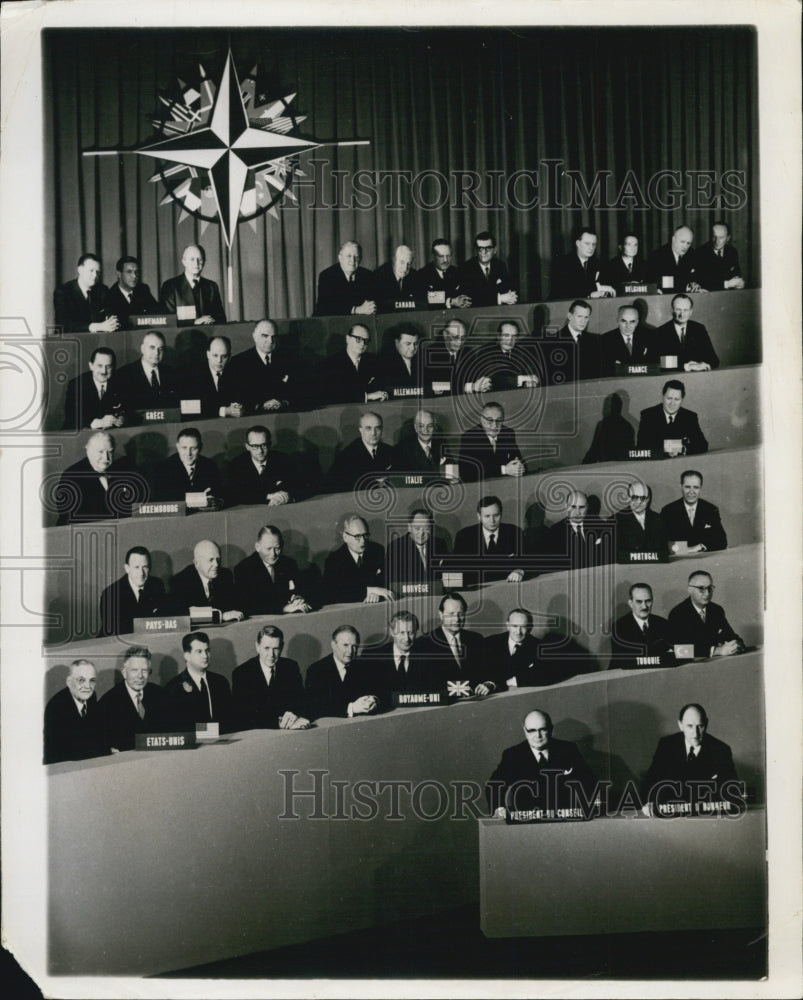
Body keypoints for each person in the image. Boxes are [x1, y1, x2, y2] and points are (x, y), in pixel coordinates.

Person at [486, 709, 597, 816]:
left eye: (543, 729)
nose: (538, 735)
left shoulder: (568, 749)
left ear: (551, 729)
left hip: (564, 817)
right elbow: (494, 785)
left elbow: (588, 779)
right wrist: (499, 808)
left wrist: (593, 800)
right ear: (525, 730)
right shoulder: (512, 754)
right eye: (532, 730)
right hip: (526, 822)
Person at [643, 703, 739, 810]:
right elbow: (650, 783)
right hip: (673, 816)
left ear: (706, 724)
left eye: (700, 726)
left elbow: (732, 791)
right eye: (690, 726)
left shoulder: (721, 750)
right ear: (680, 725)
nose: (695, 733)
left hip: (705, 816)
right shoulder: (666, 745)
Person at [231, 625, 310, 731]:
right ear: (257, 647)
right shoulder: (242, 673)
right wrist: (278, 723)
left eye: (276, 649)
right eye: (266, 648)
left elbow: (302, 703)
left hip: (289, 732)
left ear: (282, 647)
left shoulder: (291, 667)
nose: (271, 654)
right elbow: (244, 717)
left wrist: (294, 715)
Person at [416, 592, 496, 696]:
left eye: (461, 614)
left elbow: (492, 671)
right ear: (441, 614)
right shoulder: (424, 643)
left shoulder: (476, 639)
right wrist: (459, 689)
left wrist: (489, 684)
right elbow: (422, 683)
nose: (456, 619)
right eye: (451, 614)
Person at [53, 430, 139, 526]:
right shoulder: (71, 475)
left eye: (110, 452)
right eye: (100, 452)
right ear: (88, 451)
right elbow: (68, 516)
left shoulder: (123, 469)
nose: (106, 457)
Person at [304, 625, 390, 719]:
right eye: (345, 645)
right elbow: (315, 707)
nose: (350, 651)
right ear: (333, 645)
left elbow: (382, 692)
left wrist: (374, 700)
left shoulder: (365, 666)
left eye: (354, 646)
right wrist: (351, 708)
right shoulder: (316, 670)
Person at [98, 646, 166, 752]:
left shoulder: (160, 694)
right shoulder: (108, 703)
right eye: (134, 670)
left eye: (144, 671)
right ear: (124, 673)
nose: (140, 676)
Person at [233, 525, 312, 616]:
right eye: (268, 549)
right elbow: (248, 605)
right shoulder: (244, 569)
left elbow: (300, 590)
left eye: (277, 548)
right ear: (257, 547)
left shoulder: (289, 564)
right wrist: (283, 608)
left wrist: (298, 598)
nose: (273, 554)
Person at [163, 631, 233, 731]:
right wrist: (210, 733)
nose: (205, 656)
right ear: (187, 655)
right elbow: (177, 727)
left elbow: (229, 719)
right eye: (199, 651)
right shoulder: (173, 687)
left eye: (207, 650)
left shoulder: (221, 682)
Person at [482, 607, 569, 688]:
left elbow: (547, 673)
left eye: (523, 627)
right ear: (508, 625)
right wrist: (491, 683)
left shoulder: (539, 647)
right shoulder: (490, 643)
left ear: (530, 628)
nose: (518, 632)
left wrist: (512, 681)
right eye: (514, 626)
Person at [666, 571, 744, 658]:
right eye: (701, 588)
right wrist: (717, 651)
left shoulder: (716, 610)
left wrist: (736, 644)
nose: (707, 593)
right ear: (690, 590)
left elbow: (730, 636)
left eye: (710, 588)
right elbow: (679, 650)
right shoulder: (677, 614)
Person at [451, 495, 525, 586]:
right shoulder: (464, 536)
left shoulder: (514, 532)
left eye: (496, 515)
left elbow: (528, 560)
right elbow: (454, 570)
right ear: (479, 516)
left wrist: (520, 571)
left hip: (507, 587)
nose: (492, 521)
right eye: (487, 516)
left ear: (501, 514)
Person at [360, 611, 440, 694]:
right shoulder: (373, 656)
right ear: (392, 632)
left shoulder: (428, 656)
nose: (406, 639)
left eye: (411, 633)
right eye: (402, 633)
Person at [43, 659, 105, 764]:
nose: (88, 686)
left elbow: (96, 734)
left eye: (92, 680)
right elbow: (62, 754)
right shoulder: (56, 708)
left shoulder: (91, 697)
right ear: (69, 682)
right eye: (81, 680)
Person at [322, 514, 393, 605]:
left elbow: (385, 580)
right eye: (357, 537)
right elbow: (335, 593)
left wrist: (375, 594)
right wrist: (370, 590)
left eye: (365, 535)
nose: (363, 541)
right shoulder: (334, 560)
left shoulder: (377, 550)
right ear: (345, 537)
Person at [226, 319, 294, 413]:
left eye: (273, 336)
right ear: (255, 337)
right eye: (265, 336)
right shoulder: (239, 362)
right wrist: (260, 405)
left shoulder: (288, 360)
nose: (270, 341)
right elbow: (236, 395)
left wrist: (283, 402)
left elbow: (296, 391)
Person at [97, 545, 166, 636]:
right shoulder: (110, 594)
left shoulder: (157, 585)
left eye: (145, 567)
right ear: (127, 568)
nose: (141, 573)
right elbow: (112, 631)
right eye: (136, 567)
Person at [225, 425, 301, 507]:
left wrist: (287, 495)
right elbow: (235, 494)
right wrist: (268, 496)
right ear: (247, 447)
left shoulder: (283, 460)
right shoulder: (236, 465)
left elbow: (299, 485)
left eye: (264, 445)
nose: (260, 450)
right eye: (254, 446)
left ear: (270, 444)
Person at [169, 540, 244, 621]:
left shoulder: (225, 575)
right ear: (196, 563)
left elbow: (235, 606)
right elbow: (182, 614)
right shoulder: (181, 581)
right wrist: (220, 616)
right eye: (211, 560)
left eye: (218, 559)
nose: (216, 564)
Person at [152, 427, 224, 508]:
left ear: (200, 447)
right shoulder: (163, 468)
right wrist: (199, 499)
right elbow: (162, 498)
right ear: (177, 447)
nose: (188, 453)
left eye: (193, 448)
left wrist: (215, 500)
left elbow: (219, 494)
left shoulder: (210, 466)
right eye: (184, 448)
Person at [316, 324, 387, 405]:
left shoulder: (373, 361)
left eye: (366, 340)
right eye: (358, 339)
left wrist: (383, 394)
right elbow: (334, 395)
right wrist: (368, 396)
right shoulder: (331, 363)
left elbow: (381, 386)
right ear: (348, 339)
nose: (362, 343)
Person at [660, 469, 728, 553]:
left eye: (696, 487)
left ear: (701, 488)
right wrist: (686, 550)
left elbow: (722, 541)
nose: (691, 492)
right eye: (687, 487)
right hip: (678, 562)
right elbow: (662, 544)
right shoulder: (668, 511)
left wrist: (700, 547)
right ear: (681, 487)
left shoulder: (710, 509)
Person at [636, 379, 708, 457]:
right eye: (669, 398)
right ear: (663, 397)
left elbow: (702, 445)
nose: (672, 403)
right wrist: (675, 447)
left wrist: (682, 449)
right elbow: (642, 445)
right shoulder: (648, 415)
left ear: (682, 400)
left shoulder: (690, 417)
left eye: (676, 399)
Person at [609, 583, 674, 669]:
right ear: (631, 603)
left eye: (648, 601)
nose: (644, 606)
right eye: (639, 601)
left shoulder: (663, 624)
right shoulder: (619, 627)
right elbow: (625, 660)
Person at [326, 411, 395, 493]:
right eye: (368, 428)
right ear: (361, 430)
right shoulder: (346, 456)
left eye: (377, 428)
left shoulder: (391, 451)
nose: (373, 433)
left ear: (382, 429)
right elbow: (338, 486)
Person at [458, 401, 525, 483]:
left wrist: (519, 467)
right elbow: (467, 473)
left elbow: (519, 461)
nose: (494, 426)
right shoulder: (469, 437)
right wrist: (504, 470)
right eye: (490, 420)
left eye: (499, 421)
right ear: (481, 419)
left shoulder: (507, 433)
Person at [62, 346, 126, 431]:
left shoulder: (121, 382)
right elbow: (72, 417)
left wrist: (122, 419)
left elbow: (128, 409)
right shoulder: (76, 385)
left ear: (113, 367)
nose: (104, 371)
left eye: (108, 366)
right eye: (100, 366)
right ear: (91, 366)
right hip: (79, 434)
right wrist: (99, 423)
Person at [159, 244, 226, 325]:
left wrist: (212, 320)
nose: (196, 263)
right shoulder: (170, 286)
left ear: (204, 262)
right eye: (192, 259)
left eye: (200, 259)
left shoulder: (212, 286)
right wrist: (194, 322)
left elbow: (221, 318)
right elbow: (167, 320)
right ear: (184, 262)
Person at [385, 507, 447, 594]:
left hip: (436, 595)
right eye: (417, 528)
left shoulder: (439, 544)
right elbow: (393, 582)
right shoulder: (396, 548)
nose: (421, 534)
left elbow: (446, 575)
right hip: (407, 597)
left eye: (427, 529)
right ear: (409, 527)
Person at [53, 252, 119, 333]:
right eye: (91, 271)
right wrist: (97, 327)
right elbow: (63, 325)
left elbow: (111, 316)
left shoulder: (103, 290)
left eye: (98, 272)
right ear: (80, 270)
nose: (95, 275)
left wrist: (111, 323)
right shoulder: (63, 292)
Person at [545, 490, 611, 569]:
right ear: (566, 506)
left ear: (587, 507)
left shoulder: (599, 526)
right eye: (573, 507)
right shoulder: (555, 532)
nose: (577, 512)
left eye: (581, 507)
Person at [115, 330, 179, 411]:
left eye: (160, 349)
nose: (156, 353)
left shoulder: (171, 373)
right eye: (152, 347)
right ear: (143, 349)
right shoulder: (125, 374)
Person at [182, 335, 244, 419]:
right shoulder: (192, 374)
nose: (219, 361)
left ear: (229, 357)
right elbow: (187, 408)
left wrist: (239, 408)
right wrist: (224, 411)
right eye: (215, 355)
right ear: (208, 354)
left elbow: (244, 398)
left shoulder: (237, 372)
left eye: (224, 356)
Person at [653, 294, 720, 371]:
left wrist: (704, 365)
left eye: (685, 310)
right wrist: (684, 367)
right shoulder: (660, 332)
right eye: (678, 310)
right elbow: (655, 363)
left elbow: (714, 360)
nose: (682, 314)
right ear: (672, 311)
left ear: (690, 312)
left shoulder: (699, 329)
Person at [471, 321, 543, 391]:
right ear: (499, 336)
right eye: (506, 335)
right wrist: (521, 379)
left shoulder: (521, 351)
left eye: (514, 336)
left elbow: (532, 372)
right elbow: (492, 379)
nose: (510, 340)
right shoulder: (486, 351)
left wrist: (530, 383)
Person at [548, 225, 615, 300]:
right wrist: (596, 289)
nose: (591, 248)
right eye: (587, 243)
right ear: (578, 243)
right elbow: (567, 289)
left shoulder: (597, 264)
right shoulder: (562, 263)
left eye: (594, 244)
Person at [314, 240, 377, 316]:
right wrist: (355, 310)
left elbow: (372, 302)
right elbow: (325, 306)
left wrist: (372, 308)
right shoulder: (327, 276)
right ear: (340, 258)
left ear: (360, 259)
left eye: (356, 256)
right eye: (349, 256)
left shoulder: (367, 275)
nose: (353, 260)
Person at [457, 231, 518, 307]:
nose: (484, 252)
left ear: (495, 250)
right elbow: (469, 299)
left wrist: (510, 297)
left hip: (498, 312)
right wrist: (499, 298)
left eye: (488, 248)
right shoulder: (467, 268)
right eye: (480, 248)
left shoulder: (500, 265)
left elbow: (507, 290)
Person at [546, 299, 600, 383]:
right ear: (570, 316)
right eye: (579, 316)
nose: (583, 321)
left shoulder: (594, 340)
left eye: (586, 317)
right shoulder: (554, 341)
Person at [613, 483, 670, 563]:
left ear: (648, 499)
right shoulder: (616, 520)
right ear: (628, 498)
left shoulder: (658, 519)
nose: (639, 502)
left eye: (643, 498)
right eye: (634, 497)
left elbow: (664, 551)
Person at [421, 317, 478, 397]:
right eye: (455, 337)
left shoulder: (468, 353)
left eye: (463, 338)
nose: (460, 342)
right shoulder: (429, 354)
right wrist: (470, 387)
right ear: (445, 335)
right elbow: (439, 386)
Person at [102, 255, 160, 326]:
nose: (134, 276)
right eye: (129, 272)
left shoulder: (143, 290)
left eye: (136, 272)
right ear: (119, 274)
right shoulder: (110, 296)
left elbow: (157, 313)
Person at [582, 392, 636, 464]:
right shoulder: (629, 427)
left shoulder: (602, 425)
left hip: (606, 469)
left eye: (605, 406)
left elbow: (593, 453)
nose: (603, 410)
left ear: (611, 408)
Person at [415, 238, 471, 309]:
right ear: (433, 256)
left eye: (448, 255)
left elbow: (465, 296)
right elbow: (425, 298)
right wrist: (451, 301)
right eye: (441, 256)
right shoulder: (422, 275)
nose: (445, 260)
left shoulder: (458, 272)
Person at [599, 305, 652, 376]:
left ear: (637, 322)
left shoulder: (648, 337)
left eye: (632, 322)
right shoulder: (605, 340)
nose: (628, 326)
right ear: (617, 320)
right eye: (624, 321)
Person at [692, 221, 745, 291]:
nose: (717, 241)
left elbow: (736, 274)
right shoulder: (700, 253)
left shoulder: (732, 252)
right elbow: (702, 281)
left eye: (721, 237)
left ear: (728, 238)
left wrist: (738, 283)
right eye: (714, 236)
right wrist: (727, 284)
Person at [648, 225, 701, 294]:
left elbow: (696, 278)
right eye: (682, 242)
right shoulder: (657, 257)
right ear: (673, 239)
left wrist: (697, 286)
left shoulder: (692, 254)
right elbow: (660, 286)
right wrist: (686, 287)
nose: (685, 246)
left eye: (688, 243)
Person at [373, 244, 419, 312]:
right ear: (394, 260)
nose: (405, 268)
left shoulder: (414, 276)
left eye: (408, 264)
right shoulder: (379, 276)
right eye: (402, 262)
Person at [379, 326, 425, 395]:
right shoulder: (385, 363)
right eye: (408, 344)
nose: (412, 348)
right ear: (397, 343)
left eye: (415, 344)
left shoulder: (422, 360)